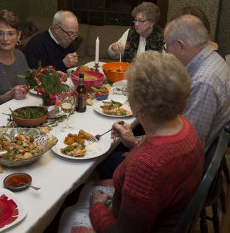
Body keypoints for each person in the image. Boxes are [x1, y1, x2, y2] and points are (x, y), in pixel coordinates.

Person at [59, 51, 204, 232]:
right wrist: (133, 143)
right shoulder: (184, 125)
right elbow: (158, 156)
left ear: (138, 105)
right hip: (165, 214)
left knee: (64, 214)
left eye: (129, 93)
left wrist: (97, 207)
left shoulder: (146, 167)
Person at [164, 14, 230, 150]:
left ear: (181, 46)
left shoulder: (204, 83)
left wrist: (137, 144)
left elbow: (186, 145)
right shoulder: (212, 58)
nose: (167, 52)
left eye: (166, 46)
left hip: (189, 159)